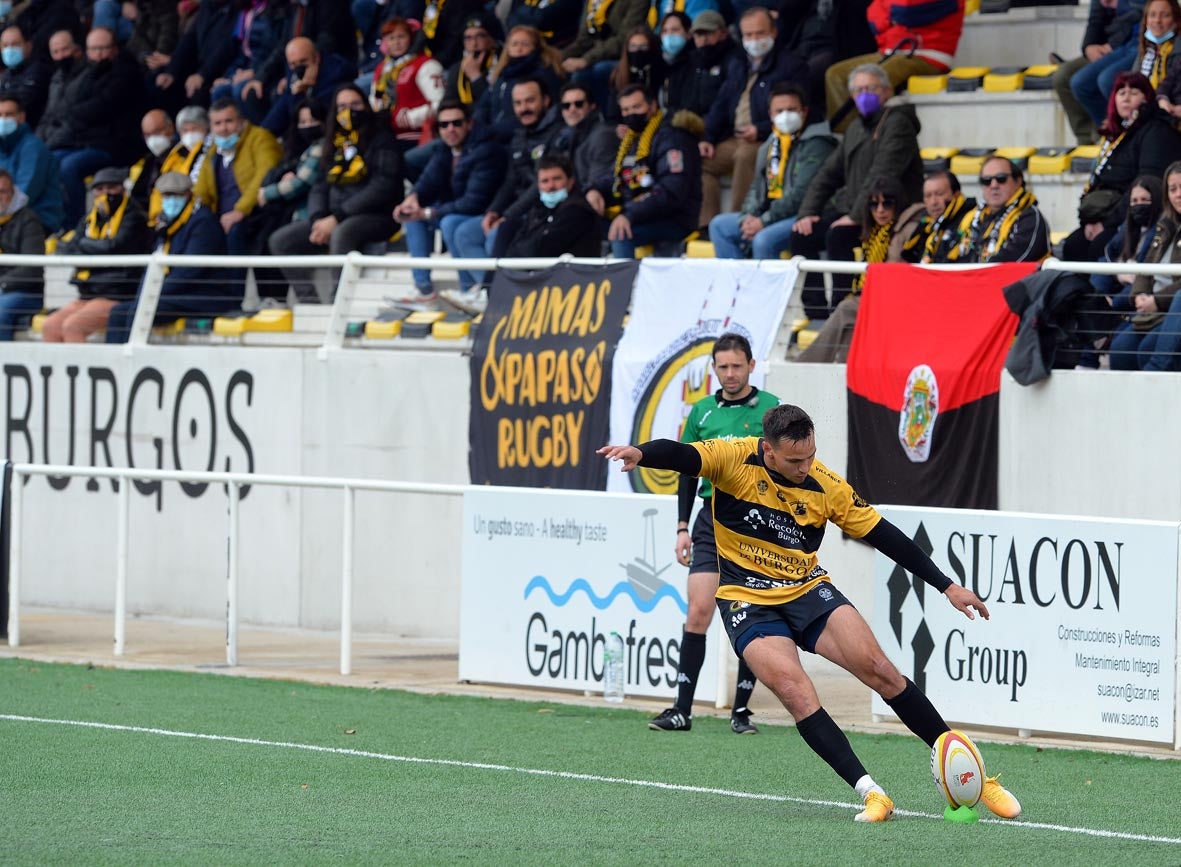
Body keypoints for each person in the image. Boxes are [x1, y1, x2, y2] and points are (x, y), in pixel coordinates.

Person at [597, 403, 1024, 823]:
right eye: (794, 460)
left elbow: (886, 536)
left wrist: (947, 586)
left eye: (811, 456)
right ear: (768, 450)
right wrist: (642, 452)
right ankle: (872, 793)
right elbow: (683, 455)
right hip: (747, 599)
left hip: (807, 590)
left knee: (881, 670)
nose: (805, 467)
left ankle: (976, 778)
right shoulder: (733, 458)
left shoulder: (825, 485)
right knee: (796, 691)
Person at [647, 333, 780, 735]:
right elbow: (688, 472)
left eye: (737, 365)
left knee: (752, 613)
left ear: (751, 366)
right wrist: (682, 526)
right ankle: (681, 710)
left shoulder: (772, 409)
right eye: (722, 366)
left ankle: (741, 712)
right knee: (698, 610)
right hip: (710, 518)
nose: (730, 373)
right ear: (714, 369)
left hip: (756, 522)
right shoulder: (702, 413)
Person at [791, 63, 921, 319]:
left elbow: (882, 173)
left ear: (886, 91)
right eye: (859, 90)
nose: (864, 95)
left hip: (888, 213)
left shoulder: (898, 124)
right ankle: (816, 312)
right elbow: (828, 173)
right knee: (801, 235)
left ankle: (844, 308)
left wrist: (855, 216)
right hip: (856, 209)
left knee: (838, 236)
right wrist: (807, 212)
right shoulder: (855, 128)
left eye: (870, 88)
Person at [268, 83, 403, 303]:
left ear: (366, 106)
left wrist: (337, 217)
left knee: (342, 233)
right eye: (342, 106)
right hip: (334, 216)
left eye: (355, 104)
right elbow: (320, 185)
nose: (348, 111)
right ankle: (310, 304)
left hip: (378, 216)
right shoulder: (334, 141)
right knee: (281, 240)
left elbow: (382, 188)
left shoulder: (383, 139)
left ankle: (338, 304)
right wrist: (318, 218)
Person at [698, 6, 809, 227]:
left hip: (769, 137)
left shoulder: (791, 65)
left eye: (760, 33)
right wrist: (708, 137)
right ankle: (706, 225)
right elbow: (721, 104)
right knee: (702, 162)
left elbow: (796, 110)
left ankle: (740, 221)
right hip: (735, 136)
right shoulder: (738, 64)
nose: (754, 40)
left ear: (773, 32)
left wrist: (760, 129)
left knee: (746, 155)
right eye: (748, 35)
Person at [105, 171, 240, 343]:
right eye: (166, 195)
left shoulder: (203, 223)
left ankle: (134, 357)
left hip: (205, 295)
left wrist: (153, 292)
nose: (170, 200)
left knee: (137, 311)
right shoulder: (168, 224)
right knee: (119, 312)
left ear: (188, 195)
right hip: (177, 294)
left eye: (175, 195)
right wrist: (148, 292)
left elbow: (189, 271)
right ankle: (118, 363)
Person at [393, 99, 506, 303]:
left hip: (484, 212)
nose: (450, 129)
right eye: (444, 125)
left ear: (469, 124)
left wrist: (429, 213)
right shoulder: (444, 148)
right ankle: (423, 288)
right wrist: (412, 199)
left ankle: (469, 290)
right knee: (413, 218)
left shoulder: (487, 150)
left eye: (457, 123)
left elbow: (474, 203)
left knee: (450, 222)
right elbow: (428, 178)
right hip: (457, 210)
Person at [708, 83, 836, 260]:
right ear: (770, 115)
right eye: (779, 111)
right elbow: (757, 187)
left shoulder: (817, 143)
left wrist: (764, 221)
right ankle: (739, 286)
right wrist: (748, 217)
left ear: (804, 112)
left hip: (803, 215)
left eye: (792, 109)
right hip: (770, 215)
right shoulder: (771, 144)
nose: (785, 116)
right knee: (719, 225)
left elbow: (801, 194)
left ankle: (768, 288)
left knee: (764, 240)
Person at [1064, 71, 1181, 263]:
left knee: (1099, 248)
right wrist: (1090, 220)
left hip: (1134, 217)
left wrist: (1107, 223)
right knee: (1073, 246)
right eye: (1121, 92)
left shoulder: (1156, 131)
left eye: (1134, 92)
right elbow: (1097, 181)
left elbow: (1147, 183)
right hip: (1105, 216)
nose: (1126, 97)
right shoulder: (1117, 135)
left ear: (1147, 99)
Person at [796, 176, 914, 363]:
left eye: (887, 204)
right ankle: (843, 380)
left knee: (846, 308)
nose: (880, 210)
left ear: (898, 204)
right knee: (849, 330)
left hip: (891, 300)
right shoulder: (872, 232)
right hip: (872, 297)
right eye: (875, 205)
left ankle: (802, 366)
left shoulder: (906, 229)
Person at [585, 83, 702, 258]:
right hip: (640, 214)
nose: (631, 114)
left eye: (637, 107)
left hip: (673, 219)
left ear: (653, 106)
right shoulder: (633, 139)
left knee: (621, 234)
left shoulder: (673, 138)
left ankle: (625, 285)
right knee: (582, 222)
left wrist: (629, 214)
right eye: (625, 110)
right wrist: (594, 190)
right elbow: (617, 176)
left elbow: (671, 191)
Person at [44, 167, 153, 342]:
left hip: (117, 294)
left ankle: (77, 368)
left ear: (123, 190)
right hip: (88, 292)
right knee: (50, 325)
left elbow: (114, 246)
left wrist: (84, 246)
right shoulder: (89, 218)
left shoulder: (134, 217)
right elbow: (68, 247)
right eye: (100, 189)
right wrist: (92, 247)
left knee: (73, 326)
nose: (105, 193)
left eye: (111, 187)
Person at [51, 26, 145, 227]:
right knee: (52, 160)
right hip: (87, 140)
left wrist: (79, 114)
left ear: (115, 48)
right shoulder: (88, 73)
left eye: (103, 48)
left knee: (70, 167)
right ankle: (55, 223)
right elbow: (72, 105)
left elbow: (101, 107)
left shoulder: (126, 72)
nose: (99, 54)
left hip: (116, 146)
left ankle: (76, 225)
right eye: (94, 49)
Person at [824, 0, 963, 134]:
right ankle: (850, 137)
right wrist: (891, 16)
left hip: (929, 55)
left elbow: (906, 11)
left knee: (874, 79)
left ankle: (877, 135)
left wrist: (890, 15)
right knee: (835, 75)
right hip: (890, 51)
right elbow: (873, 16)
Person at [1108, 160, 1181, 367]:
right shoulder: (1164, 225)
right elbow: (1144, 267)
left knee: (1145, 351)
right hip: (1150, 307)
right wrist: (1139, 295)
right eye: (1172, 189)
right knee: (1120, 351)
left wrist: (1157, 300)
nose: (1177, 195)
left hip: (1170, 309)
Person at [194, 97, 282, 256]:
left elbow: (264, 176)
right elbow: (201, 189)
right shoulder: (213, 151)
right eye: (217, 123)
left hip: (257, 215)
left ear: (242, 121)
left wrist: (240, 210)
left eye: (229, 121)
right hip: (222, 219)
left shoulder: (261, 138)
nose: (223, 128)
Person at [1055, 0, 1144, 145]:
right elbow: (1095, 19)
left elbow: (1142, 15)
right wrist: (1088, 47)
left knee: (1107, 79)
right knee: (1068, 78)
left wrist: (1118, 4)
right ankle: (1089, 137)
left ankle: (1116, 132)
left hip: (1127, 44)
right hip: (1109, 46)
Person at [943, 156, 1051, 264]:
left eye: (1001, 179)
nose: (994, 185)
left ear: (1018, 181)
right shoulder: (970, 218)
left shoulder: (1029, 216)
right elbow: (952, 257)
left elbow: (1012, 262)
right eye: (986, 181)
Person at [475, 25, 564, 142]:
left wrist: (491, 132)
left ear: (536, 47)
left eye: (525, 44)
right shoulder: (501, 75)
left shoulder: (544, 73)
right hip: (494, 136)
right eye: (514, 44)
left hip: (525, 137)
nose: (519, 49)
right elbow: (483, 105)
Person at [369, 18, 445, 153]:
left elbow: (441, 103)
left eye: (401, 37)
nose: (396, 43)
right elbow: (376, 99)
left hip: (418, 136)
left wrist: (409, 118)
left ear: (411, 38)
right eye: (391, 38)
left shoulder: (425, 65)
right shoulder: (382, 69)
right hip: (387, 136)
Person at [561, 0, 649, 112]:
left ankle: (606, 119)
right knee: (554, 69)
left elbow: (623, 40)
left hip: (625, 57)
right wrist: (555, 59)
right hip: (597, 55)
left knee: (590, 73)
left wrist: (586, 59)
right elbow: (584, 40)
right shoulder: (591, 2)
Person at [662, 10, 743, 118]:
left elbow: (727, 103)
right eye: (699, 35)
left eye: (708, 33)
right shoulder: (689, 62)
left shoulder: (734, 60)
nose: (703, 39)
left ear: (723, 33)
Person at [0, 94, 62, 232]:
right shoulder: (2, 148)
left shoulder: (33, 148)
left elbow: (25, 194)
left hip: (38, 222)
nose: (3, 119)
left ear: (21, 117)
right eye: (0, 114)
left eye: (9, 114)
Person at [0, 167, 46, 341]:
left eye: (2, 192)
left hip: (24, 293)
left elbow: (31, 270)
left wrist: (2, 283)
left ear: (12, 193)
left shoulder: (28, 221)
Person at [546, 81, 619, 189]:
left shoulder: (603, 136)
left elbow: (597, 184)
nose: (572, 109)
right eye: (566, 105)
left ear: (592, 106)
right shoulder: (560, 137)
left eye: (578, 104)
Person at [918, 170, 977, 263]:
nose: (933, 202)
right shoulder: (924, 228)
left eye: (939, 194)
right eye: (928, 196)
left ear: (957, 195)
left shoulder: (972, 221)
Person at [0, 25, 50, 127]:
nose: (9, 49)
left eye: (15, 44)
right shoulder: (7, 74)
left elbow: (21, 103)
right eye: (5, 45)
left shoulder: (39, 70)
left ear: (28, 46)